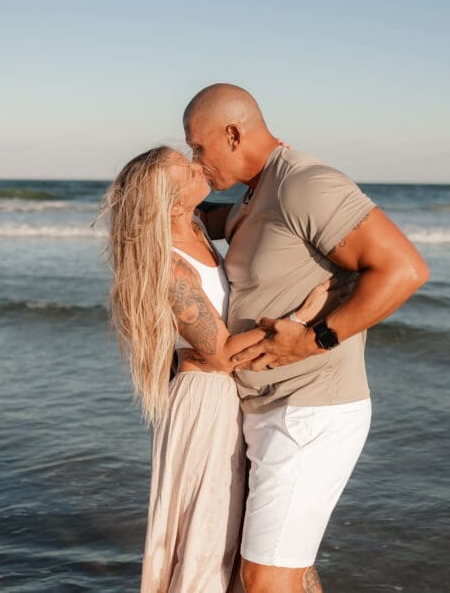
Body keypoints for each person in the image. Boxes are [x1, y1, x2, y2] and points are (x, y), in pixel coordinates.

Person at [184, 83, 430, 592]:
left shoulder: (305, 184)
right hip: (268, 408)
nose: (197, 161)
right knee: (280, 571)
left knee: (265, 579)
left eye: (198, 147)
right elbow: (212, 221)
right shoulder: (256, 194)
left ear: (233, 134)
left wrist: (315, 339)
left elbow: (403, 269)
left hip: (309, 409)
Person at [102, 146, 343, 592]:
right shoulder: (169, 265)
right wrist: (304, 315)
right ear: (173, 204)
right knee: (211, 536)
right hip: (205, 403)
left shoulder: (195, 223)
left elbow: (259, 212)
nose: (201, 168)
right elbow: (223, 353)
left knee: (263, 535)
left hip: (228, 395)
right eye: (189, 171)